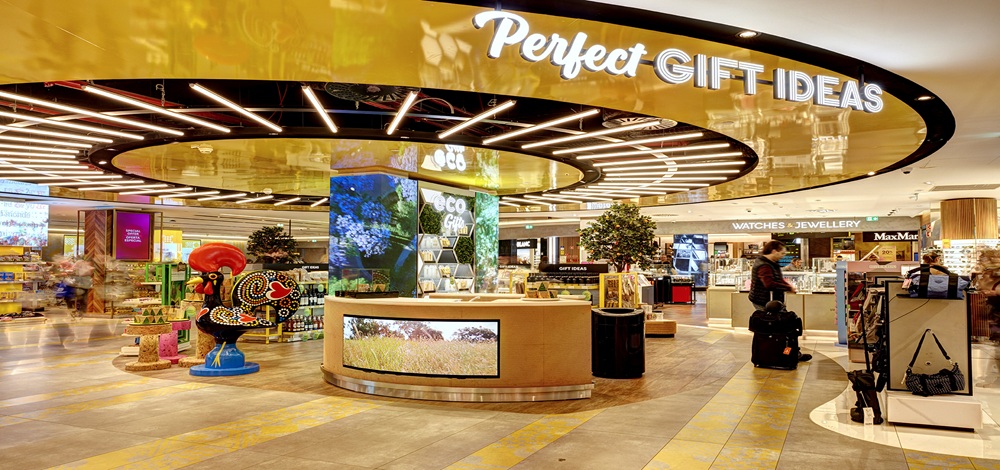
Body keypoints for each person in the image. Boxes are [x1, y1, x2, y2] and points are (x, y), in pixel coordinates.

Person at [749, 240, 811, 362]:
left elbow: (778, 279)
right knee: (782, 328)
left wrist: (787, 286)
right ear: (774, 251)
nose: (783, 256)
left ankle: (785, 354)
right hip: (766, 302)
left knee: (780, 328)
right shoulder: (764, 265)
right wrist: (788, 288)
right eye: (782, 253)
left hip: (773, 302)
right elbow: (769, 284)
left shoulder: (771, 263)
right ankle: (784, 354)